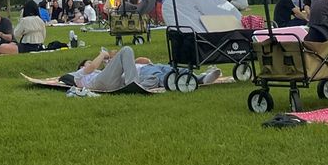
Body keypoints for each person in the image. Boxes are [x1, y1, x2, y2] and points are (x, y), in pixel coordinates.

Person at [63, 47, 221, 92]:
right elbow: (91, 67)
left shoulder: (101, 71)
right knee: (126, 50)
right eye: (88, 62)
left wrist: (110, 60)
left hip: (114, 82)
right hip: (99, 83)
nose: (92, 63)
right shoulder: (79, 74)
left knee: (162, 68)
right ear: (81, 67)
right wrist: (102, 54)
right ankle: (136, 84)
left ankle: (198, 78)